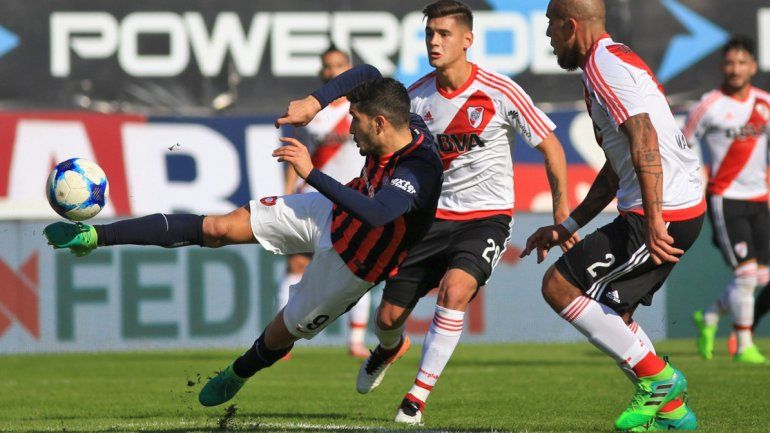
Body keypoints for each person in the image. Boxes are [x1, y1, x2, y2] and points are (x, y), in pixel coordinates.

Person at [43, 73, 444, 408]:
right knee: (219, 228)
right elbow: (368, 72)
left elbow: (377, 214)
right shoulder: (394, 118)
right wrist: (315, 101)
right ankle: (96, 234)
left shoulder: (420, 166)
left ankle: (238, 372)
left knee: (280, 333)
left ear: (379, 124)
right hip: (331, 213)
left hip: (356, 264)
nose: (349, 128)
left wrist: (310, 172)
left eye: (355, 119)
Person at [520, 0, 705, 430]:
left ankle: (660, 381)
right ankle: (675, 415)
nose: (547, 36)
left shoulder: (604, 66)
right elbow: (616, 166)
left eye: (550, 26)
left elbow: (644, 136)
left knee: (560, 286)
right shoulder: (609, 62)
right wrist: (566, 226)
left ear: (570, 25)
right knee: (612, 316)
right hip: (666, 207)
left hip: (662, 212)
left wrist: (655, 219)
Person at [279, 46, 371, 359]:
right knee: (297, 264)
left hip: (354, 198)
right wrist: (287, 196)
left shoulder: (363, 109)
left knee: (361, 269)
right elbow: (293, 158)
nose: (332, 72)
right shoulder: (310, 112)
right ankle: (282, 340)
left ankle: (355, 342)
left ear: (350, 69)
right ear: (322, 72)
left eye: (338, 66)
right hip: (313, 198)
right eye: (327, 67)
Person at [687, 36, 770, 364]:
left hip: (759, 200)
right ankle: (744, 343)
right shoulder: (709, 105)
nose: (735, 69)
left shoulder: (764, 103)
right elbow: (685, 141)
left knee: (760, 276)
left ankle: (709, 315)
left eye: (741, 62)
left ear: (752, 66)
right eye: (729, 63)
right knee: (747, 275)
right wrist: (699, 178)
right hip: (726, 198)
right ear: (723, 66)